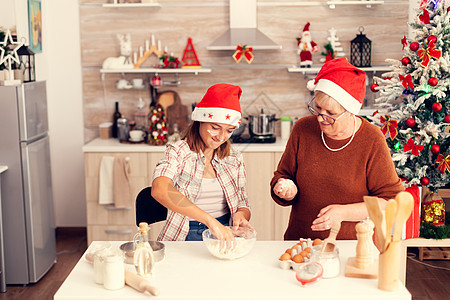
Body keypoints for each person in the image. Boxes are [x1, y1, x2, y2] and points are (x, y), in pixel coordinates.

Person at [270, 57, 404, 241]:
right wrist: (285, 189)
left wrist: (343, 212)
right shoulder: (303, 128)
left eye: (331, 114)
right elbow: (282, 175)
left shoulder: (371, 140)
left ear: (350, 111)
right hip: (300, 242)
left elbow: (391, 201)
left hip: (351, 247)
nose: (319, 118)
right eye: (317, 108)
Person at [152, 83, 253, 242]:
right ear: (200, 120)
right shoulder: (179, 151)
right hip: (186, 231)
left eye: (229, 130)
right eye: (215, 127)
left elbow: (242, 201)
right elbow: (160, 189)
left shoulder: (234, 158)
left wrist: (241, 215)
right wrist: (209, 221)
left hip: (225, 231)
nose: (221, 137)